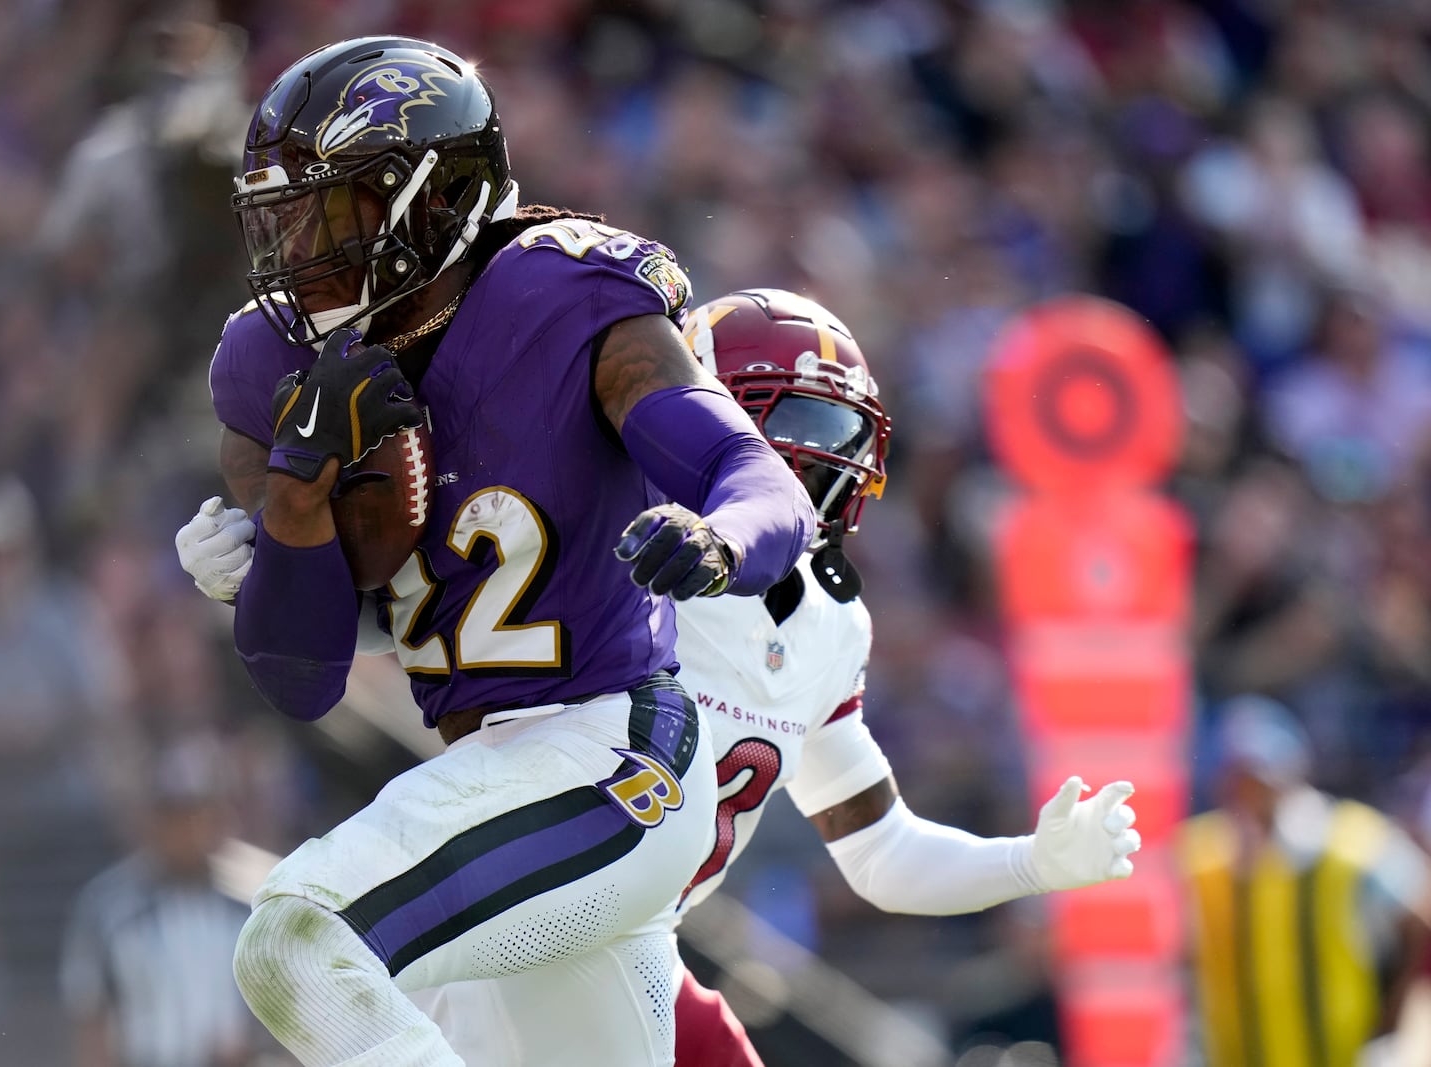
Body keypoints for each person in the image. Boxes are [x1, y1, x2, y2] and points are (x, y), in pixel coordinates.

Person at [181, 288, 1141, 1065]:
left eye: (839, 430)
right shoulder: (612, 531)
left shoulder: (829, 621)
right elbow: (415, 619)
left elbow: (880, 848)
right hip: (510, 922)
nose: (825, 456)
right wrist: (274, 568)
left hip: (633, 944)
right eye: (797, 415)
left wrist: (1031, 863)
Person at [178, 35, 814, 1067]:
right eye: (281, 216)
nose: (299, 248)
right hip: (499, 772)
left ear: (435, 199)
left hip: (610, 751)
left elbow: (756, 483)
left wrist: (716, 537)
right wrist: (293, 506)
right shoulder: (273, 362)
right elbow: (300, 677)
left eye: (329, 210)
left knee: (300, 938)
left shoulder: (567, 300)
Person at [1178, 695, 1431, 1067]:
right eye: (1235, 783)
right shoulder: (1201, 854)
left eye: (1257, 781)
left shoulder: (1352, 843)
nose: (1249, 797)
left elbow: (1418, 915)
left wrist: (1389, 1018)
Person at [60, 739, 270, 1067]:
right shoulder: (108, 906)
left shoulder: (251, 901)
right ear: (151, 821)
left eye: (198, 814)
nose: (187, 830)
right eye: (175, 816)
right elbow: (90, 1014)